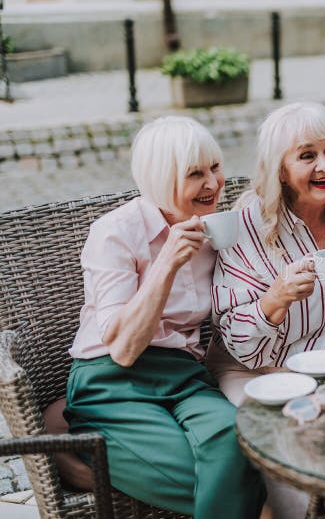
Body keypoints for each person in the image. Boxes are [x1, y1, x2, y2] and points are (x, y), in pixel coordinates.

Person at [63, 116, 266, 518]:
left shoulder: (215, 231)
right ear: (160, 179)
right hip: (111, 379)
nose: (213, 183)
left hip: (185, 377)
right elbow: (121, 348)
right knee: (235, 479)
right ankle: (77, 455)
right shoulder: (115, 232)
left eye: (215, 168)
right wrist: (166, 263)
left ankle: (87, 464)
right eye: (195, 174)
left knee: (235, 441)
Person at [206, 101, 325, 518]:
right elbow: (238, 343)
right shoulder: (245, 228)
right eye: (307, 155)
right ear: (280, 169)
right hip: (258, 372)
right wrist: (274, 300)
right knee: (305, 461)